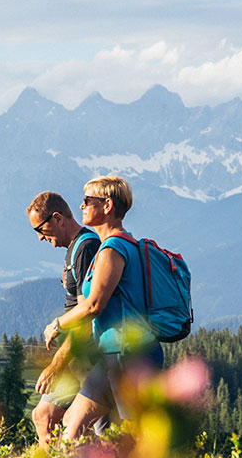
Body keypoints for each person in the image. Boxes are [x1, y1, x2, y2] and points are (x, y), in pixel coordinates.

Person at [44, 175, 162, 441]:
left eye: (87, 200)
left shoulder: (113, 248)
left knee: (134, 439)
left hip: (130, 357)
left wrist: (57, 324)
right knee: (72, 427)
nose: (82, 206)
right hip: (112, 355)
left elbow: (95, 304)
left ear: (107, 205)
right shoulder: (119, 245)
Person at [25, 191, 102, 444]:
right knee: (43, 417)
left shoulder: (86, 248)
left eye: (40, 228)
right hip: (76, 356)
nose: (38, 237)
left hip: (87, 356)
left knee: (83, 429)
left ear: (57, 218)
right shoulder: (74, 249)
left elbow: (86, 320)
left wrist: (55, 366)